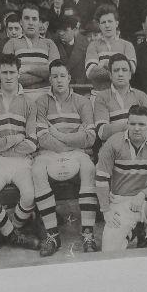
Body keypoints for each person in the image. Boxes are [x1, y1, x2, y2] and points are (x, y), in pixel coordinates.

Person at [32, 59, 98, 256]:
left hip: (76, 153)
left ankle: (88, 233)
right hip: (49, 152)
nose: (59, 80)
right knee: (37, 169)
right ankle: (52, 235)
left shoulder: (82, 102)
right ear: (50, 79)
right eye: (54, 76)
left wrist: (60, 136)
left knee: (89, 168)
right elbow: (42, 138)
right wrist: (73, 139)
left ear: (69, 78)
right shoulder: (41, 102)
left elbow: (91, 137)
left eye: (62, 76)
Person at [0, 54, 42, 250]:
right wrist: (13, 139)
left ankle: (8, 231)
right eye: (4, 72)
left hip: (22, 162)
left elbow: (32, 143)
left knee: (30, 195)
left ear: (18, 73)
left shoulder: (29, 103)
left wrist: (3, 144)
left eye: (12, 72)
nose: (8, 77)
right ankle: (14, 235)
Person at [95, 104, 147, 251]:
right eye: (133, 124)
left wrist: (143, 194)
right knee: (109, 251)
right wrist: (106, 211)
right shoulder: (113, 143)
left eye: (141, 124)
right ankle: (135, 231)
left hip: (145, 201)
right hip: (121, 201)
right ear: (127, 124)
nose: (137, 128)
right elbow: (101, 179)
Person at [3, 3, 60, 101]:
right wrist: (44, 75)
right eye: (26, 18)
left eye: (34, 19)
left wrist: (26, 68)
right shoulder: (11, 44)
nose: (30, 22)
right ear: (21, 22)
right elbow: (10, 78)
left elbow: (55, 72)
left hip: (47, 97)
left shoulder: (49, 43)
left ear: (39, 22)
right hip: (19, 98)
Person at [93, 54, 147, 142]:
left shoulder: (141, 96)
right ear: (110, 75)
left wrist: (120, 127)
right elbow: (102, 132)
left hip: (139, 147)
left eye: (124, 70)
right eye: (116, 70)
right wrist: (133, 125)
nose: (120, 74)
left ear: (130, 74)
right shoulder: (102, 97)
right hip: (113, 148)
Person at [85, 4, 137, 92]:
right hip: (99, 94)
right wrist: (118, 68)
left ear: (116, 23)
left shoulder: (127, 45)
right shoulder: (93, 45)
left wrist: (104, 64)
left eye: (110, 21)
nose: (107, 25)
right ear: (100, 25)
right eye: (103, 22)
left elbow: (131, 70)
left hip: (122, 94)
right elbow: (90, 73)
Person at [52, 15, 89, 85]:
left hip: (80, 87)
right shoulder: (53, 44)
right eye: (60, 30)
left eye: (65, 30)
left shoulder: (85, 45)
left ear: (74, 30)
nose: (61, 33)